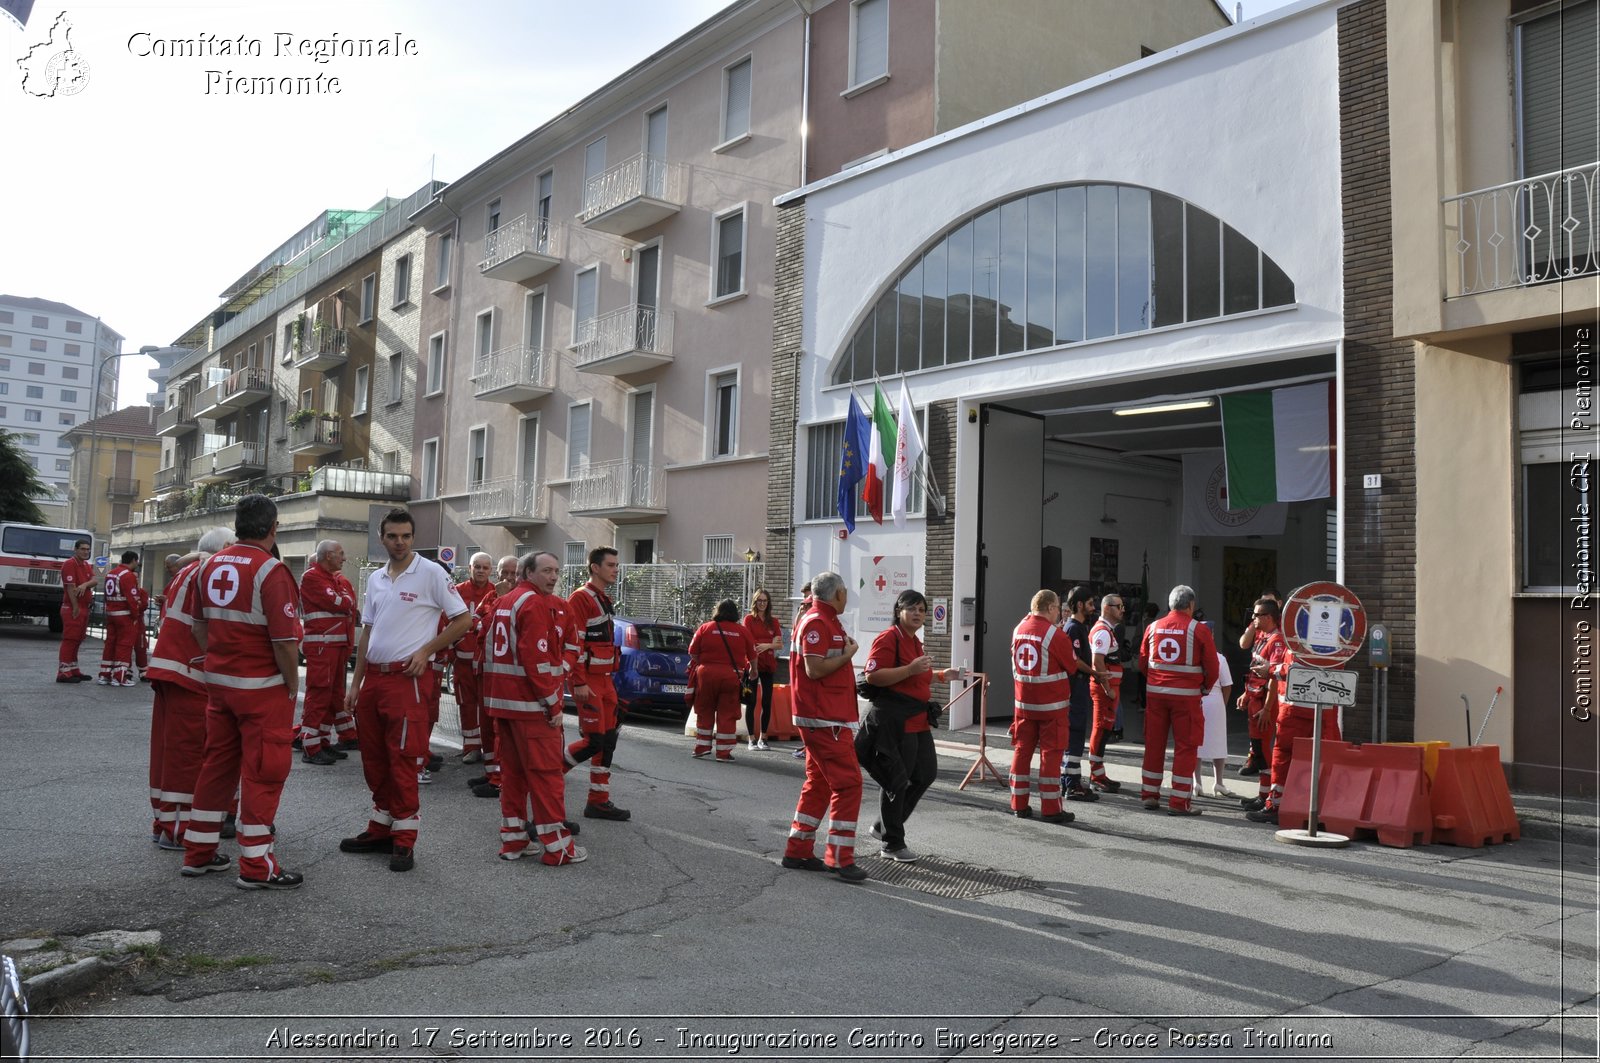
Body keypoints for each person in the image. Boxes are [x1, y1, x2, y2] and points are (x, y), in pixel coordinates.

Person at [179, 495, 304, 889]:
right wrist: (292, 685)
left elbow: (198, 626)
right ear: (273, 528)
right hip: (260, 690)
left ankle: (197, 853)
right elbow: (285, 642)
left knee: (216, 766)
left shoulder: (208, 564)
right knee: (264, 772)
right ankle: (256, 865)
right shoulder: (272, 571)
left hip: (220, 686)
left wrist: (218, 662)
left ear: (237, 525)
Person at [337, 508, 470, 874]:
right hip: (374, 681)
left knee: (403, 759)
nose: (400, 542)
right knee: (374, 759)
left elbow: (464, 620)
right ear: (382, 538)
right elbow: (367, 633)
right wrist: (356, 683)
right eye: (393, 536)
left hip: (406, 681)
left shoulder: (430, 573)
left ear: (414, 538)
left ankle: (404, 839)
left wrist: (426, 651)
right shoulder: (377, 578)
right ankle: (381, 827)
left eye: (406, 536)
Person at [482, 551, 585, 864]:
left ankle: (514, 842)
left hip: (504, 706)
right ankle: (558, 848)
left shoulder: (504, 601)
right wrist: (553, 705)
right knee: (547, 776)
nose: (553, 577)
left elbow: (485, 648)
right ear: (527, 572)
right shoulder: (535, 603)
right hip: (530, 708)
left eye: (556, 571)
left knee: (513, 776)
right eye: (546, 571)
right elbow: (536, 662)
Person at [146, 527, 234, 850]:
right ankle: (178, 829)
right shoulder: (212, 571)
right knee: (188, 755)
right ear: (225, 547)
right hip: (191, 673)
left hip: (170, 670)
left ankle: (163, 821)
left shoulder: (187, 570)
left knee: (167, 754)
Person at [782, 571, 866, 882]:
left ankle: (798, 849)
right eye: (845, 592)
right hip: (824, 718)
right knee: (848, 784)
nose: (847, 597)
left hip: (823, 716)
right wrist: (848, 655)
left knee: (818, 783)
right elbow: (814, 669)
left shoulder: (821, 618)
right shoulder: (818, 621)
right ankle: (840, 857)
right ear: (838, 594)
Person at [862, 589, 938, 862]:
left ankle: (883, 827)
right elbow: (872, 676)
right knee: (897, 780)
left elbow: (917, 677)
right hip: (895, 721)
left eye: (922, 609)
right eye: (912, 608)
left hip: (917, 720)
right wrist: (909, 670)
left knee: (926, 774)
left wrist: (942, 675)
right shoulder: (889, 638)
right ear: (898, 611)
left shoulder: (915, 642)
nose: (918, 614)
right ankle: (892, 843)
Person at [1138, 585, 1220, 816]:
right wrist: (1204, 686)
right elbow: (1212, 667)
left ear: (1170, 604)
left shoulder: (1152, 627)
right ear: (1191, 605)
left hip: (1156, 695)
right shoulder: (1198, 630)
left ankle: (1149, 795)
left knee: (1154, 744)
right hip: (1186, 698)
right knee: (1186, 747)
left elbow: (1143, 662)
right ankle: (1179, 801)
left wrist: (1157, 681)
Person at [561, 546, 631, 820]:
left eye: (616, 564)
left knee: (608, 741)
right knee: (594, 741)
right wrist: (577, 681)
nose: (616, 569)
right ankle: (547, 779)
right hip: (588, 681)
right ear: (595, 568)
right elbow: (573, 642)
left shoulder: (602, 598)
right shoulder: (580, 598)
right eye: (611, 564)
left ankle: (598, 801)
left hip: (604, 681)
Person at [1247, 645, 1340, 826]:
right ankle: (1322, 810)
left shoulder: (1301, 638)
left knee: (1282, 758)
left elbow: (1296, 670)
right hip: (1325, 710)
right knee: (1325, 760)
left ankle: (1275, 806)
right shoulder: (1335, 643)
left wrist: (1271, 669)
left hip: (1295, 710)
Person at [1009, 590, 1076, 826]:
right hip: (1051, 707)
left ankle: (1018, 804)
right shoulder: (1054, 635)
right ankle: (1050, 808)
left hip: (1024, 705)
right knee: (1051, 755)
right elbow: (1071, 666)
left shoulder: (1018, 629)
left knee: (1022, 751)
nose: (1059, 612)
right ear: (1049, 608)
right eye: (1058, 607)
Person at [295, 539, 356, 766]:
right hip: (322, 646)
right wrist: (344, 601)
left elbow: (347, 602)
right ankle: (310, 746)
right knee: (319, 694)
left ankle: (321, 742)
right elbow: (339, 602)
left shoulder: (332, 578)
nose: (344, 557)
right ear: (328, 555)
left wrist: (345, 601)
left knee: (332, 696)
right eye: (340, 553)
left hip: (334, 646)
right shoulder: (312, 577)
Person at [469, 555, 520, 799]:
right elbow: (475, 625)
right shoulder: (491, 595)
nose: (508, 578)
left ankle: (500, 778)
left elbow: (497, 628)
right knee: (487, 725)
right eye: (504, 572)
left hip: (505, 675)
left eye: (514, 573)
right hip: (485, 668)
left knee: (501, 729)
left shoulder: (521, 600)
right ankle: (491, 772)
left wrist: (501, 600)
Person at [688, 598, 756, 762]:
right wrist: (754, 671)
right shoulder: (742, 631)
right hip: (731, 676)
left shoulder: (705, 628)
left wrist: (704, 662)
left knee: (704, 710)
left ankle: (702, 747)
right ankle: (723, 752)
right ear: (735, 613)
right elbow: (753, 656)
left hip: (706, 674)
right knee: (727, 713)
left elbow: (692, 652)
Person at [1237, 597, 1286, 811]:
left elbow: (1274, 677)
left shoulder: (1277, 641)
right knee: (1257, 751)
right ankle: (1262, 795)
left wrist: (1267, 708)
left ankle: (1266, 798)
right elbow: (1255, 670)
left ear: (1268, 617)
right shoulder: (1261, 637)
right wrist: (1246, 694)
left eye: (1256, 615)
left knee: (1264, 752)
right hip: (1254, 700)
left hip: (1265, 704)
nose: (1253, 619)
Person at [454, 552, 497, 765]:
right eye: (477, 566)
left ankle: (490, 748)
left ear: (491, 570)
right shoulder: (457, 591)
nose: (480, 570)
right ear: (469, 568)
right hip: (462, 660)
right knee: (467, 704)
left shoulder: (496, 593)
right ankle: (471, 747)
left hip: (487, 663)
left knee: (488, 706)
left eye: (485, 567)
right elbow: (448, 621)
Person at [1060, 587, 1100, 803]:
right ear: (1079, 605)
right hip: (1075, 690)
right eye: (1090, 603)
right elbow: (1074, 660)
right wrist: (1095, 673)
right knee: (1074, 734)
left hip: (1078, 688)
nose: (1093, 608)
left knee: (1074, 737)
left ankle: (1070, 778)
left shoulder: (1079, 628)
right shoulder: (1074, 629)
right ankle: (1072, 784)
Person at [1085, 593, 1127, 793]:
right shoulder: (1102, 631)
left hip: (1109, 690)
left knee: (1105, 729)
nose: (1122, 610)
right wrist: (1108, 689)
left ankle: (1099, 773)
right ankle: (1096, 775)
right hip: (1105, 691)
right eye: (1119, 606)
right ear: (1108, 608)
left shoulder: (1107, 630)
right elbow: (1097, 662)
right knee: (1101, 729)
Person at [1195, 620, 1234, 797]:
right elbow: (1227, 685)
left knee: (1195, 742)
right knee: (1218, 743)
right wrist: (1222, 704)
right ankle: (1218, 782)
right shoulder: (1219, 658)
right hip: (1215, 700)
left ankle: (1197, 783)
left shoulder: (1192, 656)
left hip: (1196, 700)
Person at [741, 590, 782, 751]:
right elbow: (748, 642)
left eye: (765, 601)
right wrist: (767, 643)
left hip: (768, 666)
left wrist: (766, 645)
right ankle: (751, 738)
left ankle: (763, 737)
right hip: (752, 665)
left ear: (769, 602)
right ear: (755, 602)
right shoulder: (749, 619)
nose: (762, 603)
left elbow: (779, 644)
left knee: (766, 702)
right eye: (759, 600)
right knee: (751, 701)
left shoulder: (774, 622)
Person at [95, 550, 141, 686]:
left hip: (111, 614)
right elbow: (132, 599)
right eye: (136, 561)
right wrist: (135, 615)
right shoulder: (128, 575)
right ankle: (119, 677)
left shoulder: (111, 573)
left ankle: (104, 675)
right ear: (133, 560)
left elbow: (105, 595)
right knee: (124, 645)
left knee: (110, 644)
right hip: (124, 615)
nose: (137, 564)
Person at [56, 539, 95, 682]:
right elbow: (70, 587)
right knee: (70, 640)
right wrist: (75, 607)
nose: (86, 552)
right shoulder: (70, 564)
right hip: (73, 607)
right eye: (83, 549)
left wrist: (84, 585)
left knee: (78, 640)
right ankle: (63, 672)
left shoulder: (85, 564)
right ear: (76, 550)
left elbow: (95, 580)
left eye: (87, 549)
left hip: (83, 607)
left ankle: (73, 669)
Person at [787, 582, 813, 760]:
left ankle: (809, 747)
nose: (805, 600)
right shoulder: (804, 613)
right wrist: (799, 613)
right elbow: (794, 633)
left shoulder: (816, 617)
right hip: (799, 670)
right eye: (804, 597)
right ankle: (807, 745)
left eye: (808, 596)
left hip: (810, 672)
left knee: (809, 711)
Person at [130, 558, 152, 682]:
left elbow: (143, 606)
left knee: (141, 647)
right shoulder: (125, 591)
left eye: (137, 578)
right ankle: (127, 670)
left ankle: (143, 671)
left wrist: (135, 604)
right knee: (126, 647)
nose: (135, 580)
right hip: (128, 622)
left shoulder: (142, 592)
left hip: (138, 623)